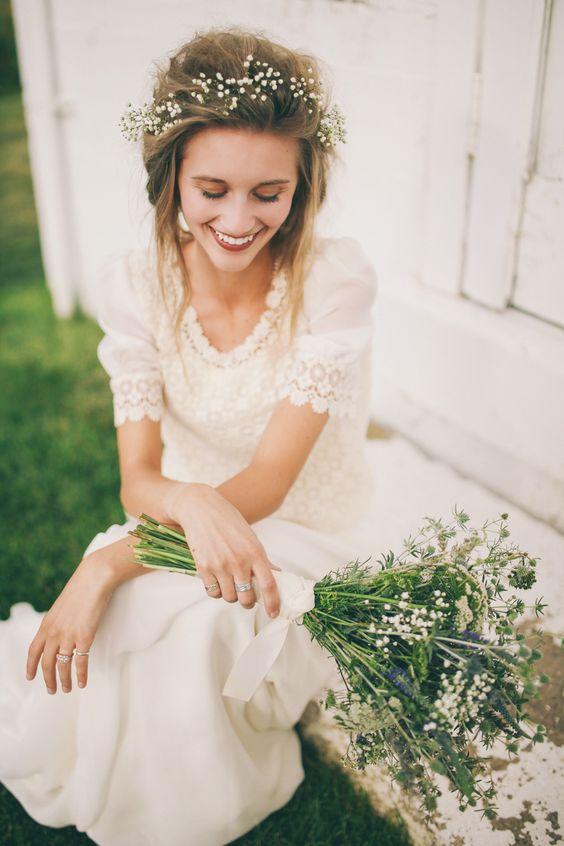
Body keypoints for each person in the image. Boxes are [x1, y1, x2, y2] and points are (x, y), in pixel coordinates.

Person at [0, 25, 379, 846]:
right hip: (185, 509)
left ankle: (194, 804)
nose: (240, 220)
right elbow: (138, 477)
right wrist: (186, 503)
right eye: (212, 189)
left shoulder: (333, 281)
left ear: (301, 186)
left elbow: (274, 480)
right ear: (169, 176)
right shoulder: (136, 287)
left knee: (193, 621)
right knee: (123, 619)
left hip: (303, 524)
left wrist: (107, 560)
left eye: (268, 193)